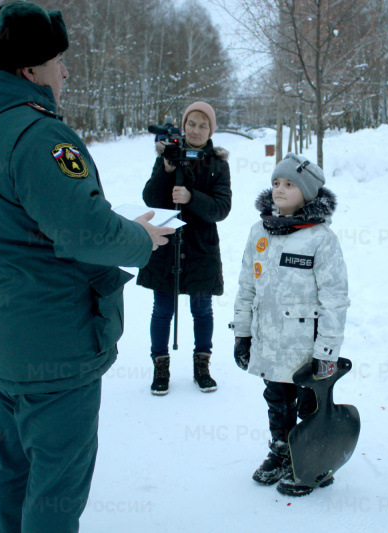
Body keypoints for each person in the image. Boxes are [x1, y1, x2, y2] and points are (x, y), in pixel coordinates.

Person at [0, 3, 174, 532]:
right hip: (55, 346)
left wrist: (104, 223)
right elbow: (83, 232)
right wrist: (140, 238)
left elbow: (28, 221)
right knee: (56, 488)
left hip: (1, 338)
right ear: (28, 71)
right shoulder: (38, 135)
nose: (64, 72)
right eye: (56, 61)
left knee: (10, 469)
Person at [233, 153, 350, 497]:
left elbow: (335, 299)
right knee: (276, 400)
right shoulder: (260, 231)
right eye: (275, 183)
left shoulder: (320, 239)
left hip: (305, 347)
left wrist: (326, 351)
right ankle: (281, 451)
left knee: (309, 405)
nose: (279, 190)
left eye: (289, 185)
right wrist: (242, 333)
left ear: (308, 193)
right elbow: (246, 286)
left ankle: (314, 461)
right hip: (268, 341)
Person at [139, 101, 232, 395]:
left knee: (202, 310)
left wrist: (191, 197)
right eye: (191, 123)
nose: (196, 129)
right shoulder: (169, 156)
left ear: (211, 130)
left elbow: (221, 208)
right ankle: (160, 366)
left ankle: (202, 365)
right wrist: (166, 171)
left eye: (203, 125)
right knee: (162, 309)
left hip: (200, 247)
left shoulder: (218, 164)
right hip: (166, 243)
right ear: (183, 125)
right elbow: (151, 200)